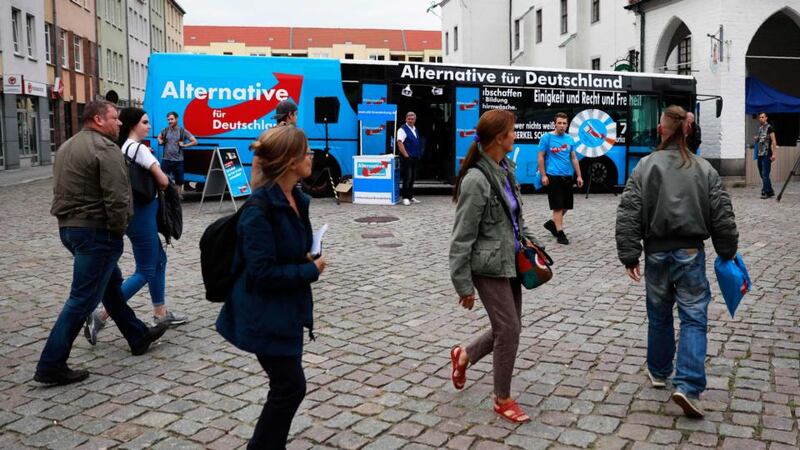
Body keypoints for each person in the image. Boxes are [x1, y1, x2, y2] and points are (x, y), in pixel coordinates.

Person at [616, 105, 738, 419]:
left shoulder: (644, 165)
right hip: (690, 253)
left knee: (659, 315)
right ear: (687, 130)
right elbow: (722, 214)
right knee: (694, 318)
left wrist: (630, 253)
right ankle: (689, 385)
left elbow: (629, 211)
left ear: (661, 130)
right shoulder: (704, 169)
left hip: (656, 252)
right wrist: (727, 251)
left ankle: (659, 372)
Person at [34, 101, 168, 386]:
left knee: (111, 285)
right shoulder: (106, 149)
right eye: (114, 118)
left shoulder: (68, 145)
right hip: (97, 232)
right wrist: (117, 232)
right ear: (98, 119)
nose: (119, 123)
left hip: (70, 228)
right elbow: (117, 198)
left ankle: (137, 335)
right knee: (82, 299)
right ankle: (51, 363)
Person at [216, 125, 326, 448]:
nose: (311, 156)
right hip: (262, 313)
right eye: (306, 151)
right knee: (290, 386)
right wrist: (310, 269)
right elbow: (262, 273)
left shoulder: (297, 199)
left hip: (287, 312)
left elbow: (288, 249)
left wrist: (305, 254)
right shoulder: (258, 211)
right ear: (291, 161)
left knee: (287, 386)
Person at [449, 109, 542, 424]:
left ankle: (464, 355)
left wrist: (532, 242)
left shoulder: (506, 168)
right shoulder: (476, 179)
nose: (516, 135)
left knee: (508, 327)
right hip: (487, 266)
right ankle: (502, 398)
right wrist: (464, 285)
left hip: (510, 261)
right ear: (500, 138)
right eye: (513, 131)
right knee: (510, 329)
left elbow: (516, 218)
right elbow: (461, 238)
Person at [84, 108, 188, 346]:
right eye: (144, 122)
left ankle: (160, 313)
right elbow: (162, 181)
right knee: (145, 270)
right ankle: (100, 315)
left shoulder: (123, 149)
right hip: (142, 216)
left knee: (159, 260)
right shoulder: (139, 149)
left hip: (136, 215)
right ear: (133, 124)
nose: (149, 126)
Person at [538, 112, 584, 245]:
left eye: (564, 123)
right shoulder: (547, 138)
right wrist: (544, 175)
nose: (562, 126)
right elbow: (541, 156)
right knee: (557, 207)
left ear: (567, 124)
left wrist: (579, 176)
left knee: (566, 206)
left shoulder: (570, 139)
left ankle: (552, 224)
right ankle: (560, 233)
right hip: (553, 176)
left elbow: (574, 158)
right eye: (559, 123)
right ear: (555, 124)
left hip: (567, 176)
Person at [251, 100, 299, 190]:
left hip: (266, 186)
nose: (296, 118)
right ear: (290, 115)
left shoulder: (266, 135)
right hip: (283, 188)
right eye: (295, 114)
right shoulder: (293, 136)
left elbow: (255, 166)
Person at [157, 111, 197, 195]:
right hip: (166, 160)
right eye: (168, 120)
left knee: (179, 182)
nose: (170, 121)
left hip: (178, 161)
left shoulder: (183, 131)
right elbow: (159, 136)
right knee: (163, 180)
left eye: (171, 119)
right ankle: (164, 198)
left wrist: (185, 145)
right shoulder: (165, 130)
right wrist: (160, 141)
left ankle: (177, 198)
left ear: (176, 119)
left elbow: (195, 141)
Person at [397, 111, 422, 206]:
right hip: (407, 157)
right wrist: (406, 156)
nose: (411, 120)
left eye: (412, 119)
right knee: (407, 178)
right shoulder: (402, 129)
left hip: (414, 157)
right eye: (409, 119)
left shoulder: (415, 129)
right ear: (406, 119)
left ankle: (410, 196)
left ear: (415, 120)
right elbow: (400, 143)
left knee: (412, 178)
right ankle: (405, 198)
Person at [754, 111, 778, 199]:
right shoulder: (760, 128)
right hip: (760, 154)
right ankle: (770, 190)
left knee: (765, 174)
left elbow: (774, 141)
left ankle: (765, 191)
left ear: (766, 118)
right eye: (760, 117)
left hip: (767, 154)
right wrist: (757, 138)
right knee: (762, 173)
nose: (761, 118)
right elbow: (761, 139)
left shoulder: (769, 127)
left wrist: (774, 154)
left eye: (763, 117)